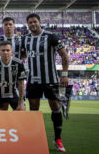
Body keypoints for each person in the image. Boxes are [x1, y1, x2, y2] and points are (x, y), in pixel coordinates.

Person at [22, 13, 69, 152]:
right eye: (30, 22)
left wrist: (64, 75)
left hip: (52, 79)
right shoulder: (25, 38)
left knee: (55, 106)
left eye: (35, 21)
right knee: (34, 109)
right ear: (27, 24)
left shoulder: (51, 36)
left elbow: (64, 55)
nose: (33, 24)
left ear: (40, 22)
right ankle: (35, 139)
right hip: (33, 80)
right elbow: (23, 55)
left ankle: (58, 139)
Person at [0, 41, 26, 111]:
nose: (5, 52)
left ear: (12, 52)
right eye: (3, 50)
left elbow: (21, 84)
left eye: (8, 50)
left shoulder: (19, 63)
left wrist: (20, 103)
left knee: (21, 111)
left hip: (13, 93)